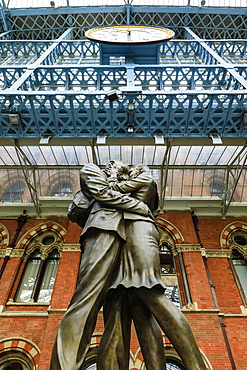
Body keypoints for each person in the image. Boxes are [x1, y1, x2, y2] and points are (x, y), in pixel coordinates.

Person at [97, 165, 207, 370]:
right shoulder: (139, 186)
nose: (126, 172)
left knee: (149, 291)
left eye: (129, 170)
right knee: (126, 309)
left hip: (137, 231)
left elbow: (107, 192)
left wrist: (112, 174)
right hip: (123, 236)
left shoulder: (144, 179)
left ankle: (195, 365)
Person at [50, 161, 152, 370]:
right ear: (110, 165)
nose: (124, 169)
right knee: (85, 301)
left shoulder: (125, 182)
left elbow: (143, 184)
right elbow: (104, 194)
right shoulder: (91, 169)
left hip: (125, 239)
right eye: (120, 167)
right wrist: (140, 207)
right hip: (102, 231)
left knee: (116, 313)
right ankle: (64, 365)